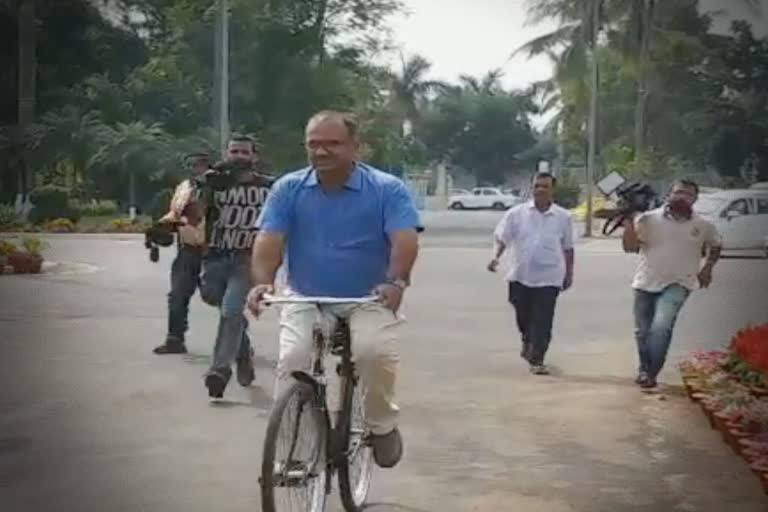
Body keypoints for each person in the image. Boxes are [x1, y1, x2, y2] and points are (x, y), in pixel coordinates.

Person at [246, 110, 421, 469]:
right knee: (294, 360)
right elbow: (268, 240)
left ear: (356, 148)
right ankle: (294, 452)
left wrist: (396, 279)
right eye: (314, 144)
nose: (321, 152)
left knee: (373, 353)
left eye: (332, 144)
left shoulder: (387, 189)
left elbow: (404, 239)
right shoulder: (288, 188)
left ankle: (382, 425)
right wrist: (262, 281)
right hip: (306, 295)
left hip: (368, 296)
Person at [622, 179, 721, 390]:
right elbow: (630, 247)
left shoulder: (702, 226)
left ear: (695, 199)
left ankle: (651, 373)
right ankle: (644, 368)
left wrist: (707, 268)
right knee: (642, 331)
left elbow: (716, 244)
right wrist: (630, 222)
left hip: (680, 282)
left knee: (661, 327)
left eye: (688, 194)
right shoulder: (649, 219)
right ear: (669, 194)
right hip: (645, 282)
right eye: (678, 192)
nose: (682, 197)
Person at [197, 135, 275, 399]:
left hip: (247, 259)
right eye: (234, 151)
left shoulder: (269, 187)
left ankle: (219, 371)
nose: (238, 156)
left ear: (254, 156)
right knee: (213, 300)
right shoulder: (215, 184)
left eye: (244, 152)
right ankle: (243, 354)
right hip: (216, 257)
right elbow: (194, 213)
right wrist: (206, 184)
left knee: (231, 311)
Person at [487, 172, 575, 375]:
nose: (540, 190)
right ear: (531, 188)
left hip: (549, 276)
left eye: (545, 186)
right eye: (537, 186)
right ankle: (527, 340)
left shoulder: (563, 217)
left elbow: (568, 248)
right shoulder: (516, 213)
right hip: (520, 275)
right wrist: (495, 257)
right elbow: (503, 238)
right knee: (523, 315)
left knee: (543, 319)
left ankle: (538, 358)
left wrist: (569, 273)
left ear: (553, 190)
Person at [152, 152, 210, 355]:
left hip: (214, 250)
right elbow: (175, 213)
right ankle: (174, 339)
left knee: (222, 297)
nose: (195, 168)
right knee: (177, 295)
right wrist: (163, 225)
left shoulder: (219, 187)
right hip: (187, 249)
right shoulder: (184, 187)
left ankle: (240, 343)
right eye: (190, 164)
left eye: (199, 164)